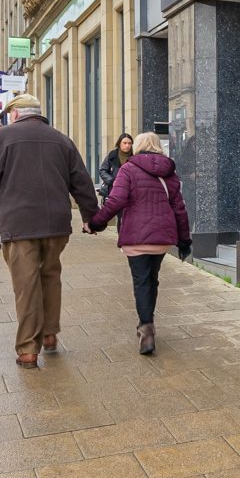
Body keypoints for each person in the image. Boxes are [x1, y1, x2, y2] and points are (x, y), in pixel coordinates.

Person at [0, 93, 98, 368]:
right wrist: (91, 216)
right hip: (56, 224)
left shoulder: (0, 138)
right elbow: (82, 181)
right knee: (50, 275)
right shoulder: (61, 140)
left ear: (15, 114)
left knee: (26, 283)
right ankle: (49, 334)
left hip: (20, 223)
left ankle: (28, 349)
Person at [85, 132, 190, 356]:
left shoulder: (129, 169)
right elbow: (179, 209)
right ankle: (146, 321)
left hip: (136, 236)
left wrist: (95, 223)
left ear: (138, 146)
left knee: (141, 281)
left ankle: (146, 328)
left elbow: (115, 201)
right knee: (152, 279)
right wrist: (184, 240)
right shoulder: (169, 172)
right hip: (162, 237)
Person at [97, 131, 134, 201]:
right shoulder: (111, 156)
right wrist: (112, 181)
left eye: (129, 143)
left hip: (129, 192)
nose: (127, 145)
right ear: (119, 143)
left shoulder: (135, 158)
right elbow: (102, 171)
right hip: (112, 190)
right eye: (125, 143)